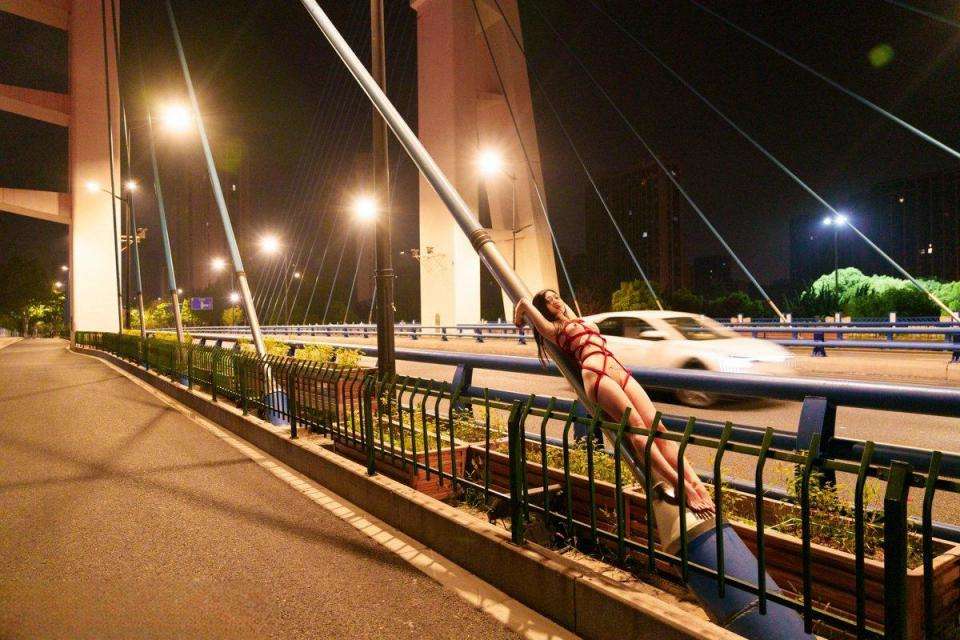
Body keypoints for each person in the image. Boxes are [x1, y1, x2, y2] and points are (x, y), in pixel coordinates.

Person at [514, 289, 715, 516]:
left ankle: (696, 483)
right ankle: (682, 485)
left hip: (618, 369)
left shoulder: (576, 320)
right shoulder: (554, 330)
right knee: (638, 429)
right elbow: (523, 302)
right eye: (549, 302)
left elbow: (565, 309)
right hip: (596, 373)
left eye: (556, 297)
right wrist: (518, 317)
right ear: (545, 311)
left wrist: (560, 305)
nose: (555, 302)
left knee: (658, 428)